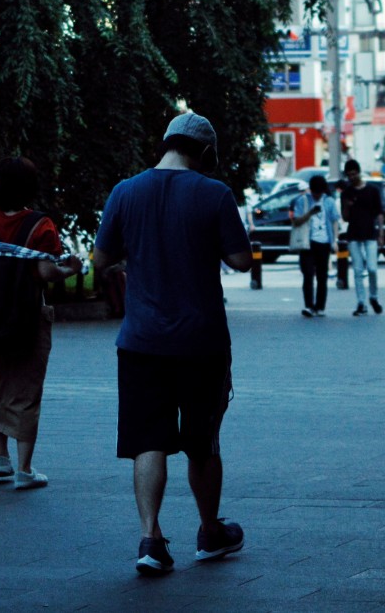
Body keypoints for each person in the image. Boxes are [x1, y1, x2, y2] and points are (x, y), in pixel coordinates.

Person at [92, 112, 254, 577]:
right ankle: (209, 531)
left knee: (149, 441)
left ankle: (151, 539)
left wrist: (140, 248)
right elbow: (240, 261)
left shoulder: (126, 192)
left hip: (141, 341)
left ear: (164, 143)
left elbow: (101, 258)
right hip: (201, 342)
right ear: (203, 152)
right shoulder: (214, 194)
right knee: (203, 440)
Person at [0, 157, 82, 490]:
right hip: (29, 317)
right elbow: (45, 272)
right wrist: (70, 269)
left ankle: (0, 457)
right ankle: (25, 468)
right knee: (27, 390)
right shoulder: (41, 226)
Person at [288, 173, 339, 318]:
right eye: (314, 192)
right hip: (307, 243)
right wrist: (310, 212)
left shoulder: (329, 201)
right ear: (310, 189)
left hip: (324, 242)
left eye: (319, 192)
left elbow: (335, 220)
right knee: (308, 275)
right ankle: (309, 306)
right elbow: (296, 221)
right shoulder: (302, 201)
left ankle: (320, 306)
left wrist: (334, 240)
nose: (316, 195)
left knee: (322, 276)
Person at [339, 159, 384, 316]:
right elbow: (345, 218)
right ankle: (361, 302)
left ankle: (374, 296)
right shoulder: (346, 193)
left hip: (370, 233)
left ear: (359, 172)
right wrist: (347, 206)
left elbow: (379, 213)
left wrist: (381, 234)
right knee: (358, 270)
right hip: (354, 234)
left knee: (372, 268)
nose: (351, 177)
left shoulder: (372, 190)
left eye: (353, 174)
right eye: (349, 175)